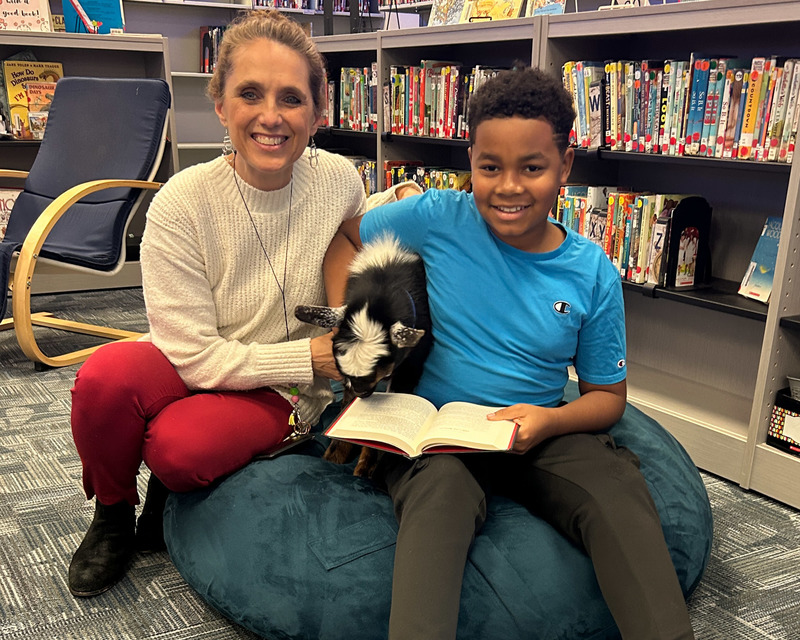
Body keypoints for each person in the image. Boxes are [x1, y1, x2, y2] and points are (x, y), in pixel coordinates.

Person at [325, 66, 695, 639]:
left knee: (618, 493)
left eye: (533, 167)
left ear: (565, 167)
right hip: (443, 434)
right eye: (489, 167)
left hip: (540, 429)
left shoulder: (590, 270)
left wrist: (550, 420)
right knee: (438, 499)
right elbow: (347, 238)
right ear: (470, 160)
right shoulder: (437, 216)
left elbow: (607, 399)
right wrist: (349, 320)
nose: (509, 187)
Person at [67, 9, 418, 599]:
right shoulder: (182, 203)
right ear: (221, 104)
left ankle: (167, 484)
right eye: (249, 94)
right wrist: (317, 357)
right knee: (103, 377)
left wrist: (407, 195)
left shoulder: (338, 180)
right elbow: (195, 356)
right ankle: (112, 513)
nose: (271, 116)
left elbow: (360, 228)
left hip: (281, 390)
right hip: (209, 357)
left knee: (177, 450)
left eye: (291, 98)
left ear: (317, 113)